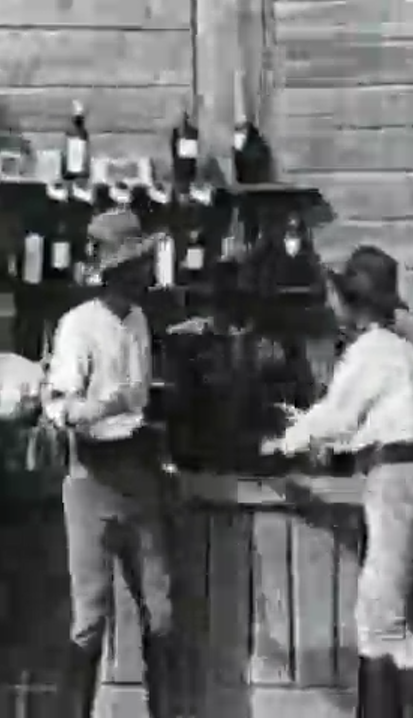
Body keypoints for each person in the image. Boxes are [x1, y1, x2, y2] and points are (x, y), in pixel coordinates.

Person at [261, 245, 413, 718]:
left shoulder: (372, 352)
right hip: (400, 477)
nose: (331, 304)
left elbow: (338, 416)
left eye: (337, 296)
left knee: (381, 621)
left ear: (355, 302)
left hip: (394, 479)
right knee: (382, 617)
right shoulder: (400, 352)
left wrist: (284, 443)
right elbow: (353, 421)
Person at [43, 209, 175, 718]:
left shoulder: (139, 321)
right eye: (137, 265)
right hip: (92, 475)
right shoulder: (78, 326)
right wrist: (104, 407)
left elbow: (142, 399)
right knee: (89, 617)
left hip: (138, 472)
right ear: (116, 271)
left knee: (160, 611)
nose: (145, 273)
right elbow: (61, 407)